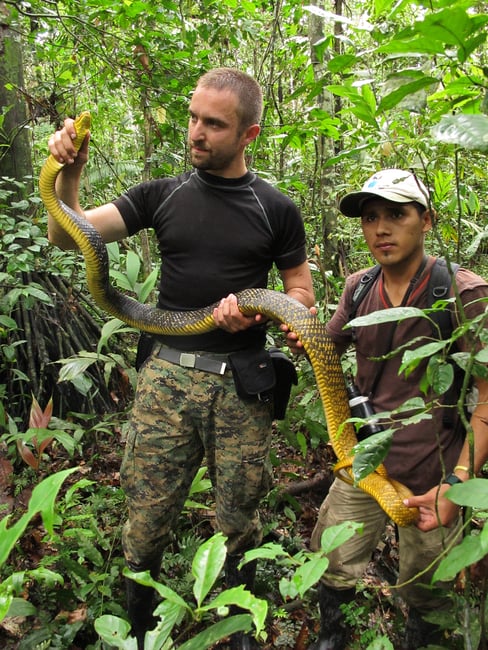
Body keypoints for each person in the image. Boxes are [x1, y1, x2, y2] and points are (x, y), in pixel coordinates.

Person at [47, 67, 315, 649]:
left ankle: (240, 622)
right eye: (193, 117)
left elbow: (300, 292)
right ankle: (139, 625)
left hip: (243, 387)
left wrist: (263, 310)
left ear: (250, 135)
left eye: (213, 124)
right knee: (145, 515)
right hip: (166, 377)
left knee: (239, 517)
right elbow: (70, 236)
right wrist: (68, 179)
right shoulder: (161, 194)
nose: (196, 132)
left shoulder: (275, 207)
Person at [306, 169, 488, 649]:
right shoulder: (359, 288)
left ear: (425, 220)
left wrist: (459, 482)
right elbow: (326, 346)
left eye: (396, 214)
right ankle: (332, 635)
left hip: (435, 471)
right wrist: (293, 326)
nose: (381, 229)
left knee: (428, 587)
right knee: (332, 558)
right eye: (370, 217)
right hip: (367, 461)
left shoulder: (463, 293)